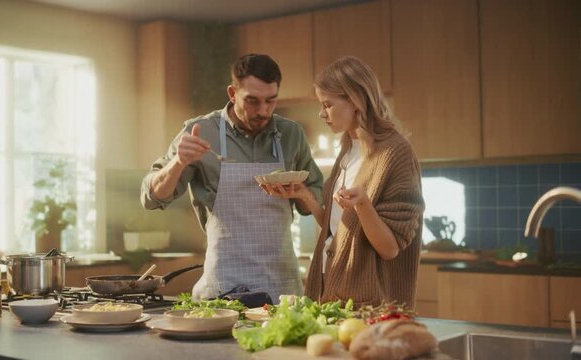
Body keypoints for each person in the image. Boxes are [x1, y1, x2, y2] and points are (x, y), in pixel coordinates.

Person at [140, 54, 324, 303]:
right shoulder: (201, 130)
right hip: (225, 286)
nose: (263, 111)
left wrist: (300, 191)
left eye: (271, 101)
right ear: (232, 92)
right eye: (252, 101)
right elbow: (151, 198)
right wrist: (178, 162)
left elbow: (309, 204)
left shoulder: (291, 134)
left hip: (282, 286)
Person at [263, 56, 424, 307]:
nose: (321, 113)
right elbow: (341, 231)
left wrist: (363, 204)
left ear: (355, 100)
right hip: (333, 293)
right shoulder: (348, 150)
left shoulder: (395, 153)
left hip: (371, 306)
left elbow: (390, 249)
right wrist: (306, 196)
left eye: (327, 104)